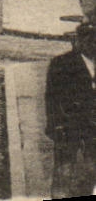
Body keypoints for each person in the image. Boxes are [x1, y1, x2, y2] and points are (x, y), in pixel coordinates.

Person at [47, 19, 96, 197]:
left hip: (93, 129)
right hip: (68, 126)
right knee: (63, 171)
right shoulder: (62, 64)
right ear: (80, 41)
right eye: (89, 40)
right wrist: (55, 125)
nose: (93, 45)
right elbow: (52, 97)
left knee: (91, 171)